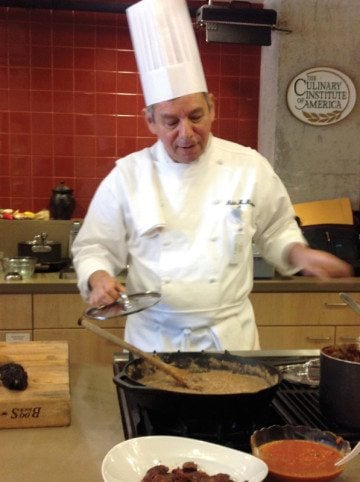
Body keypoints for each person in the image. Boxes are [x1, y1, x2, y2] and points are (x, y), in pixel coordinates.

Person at [72, 0, 352, 353]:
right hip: (153, 340)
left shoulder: (249, 167)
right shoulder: (128, 175)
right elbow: (94, 246)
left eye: (196, 116)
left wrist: (299, 254)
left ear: (212, 107)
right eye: (171, 122)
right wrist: (98, 277)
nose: (186, 134)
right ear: (150, 121)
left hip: (229, 339)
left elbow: (277, 229)